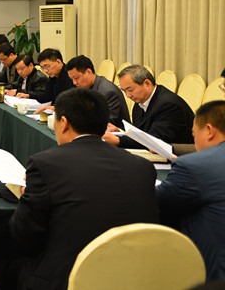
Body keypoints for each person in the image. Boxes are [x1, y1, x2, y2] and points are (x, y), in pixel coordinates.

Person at [9, 88, 159, 290]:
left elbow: (23, 233)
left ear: (64, 123)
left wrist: (27, 195)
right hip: (135, 277)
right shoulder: (142, 167)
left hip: (69, 278)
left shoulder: (45, 164)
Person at [156, 100, 225, 281]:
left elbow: (157, 202)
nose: (195, 141)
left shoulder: (193, 166)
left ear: (209, 130)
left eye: (194, 134)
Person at [102, 65, 194, 148]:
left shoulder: (169, 105)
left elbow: (153, 140)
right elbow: (140, 134)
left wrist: (118, 140)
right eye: (124, 91)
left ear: (147, 83)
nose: (128, 95)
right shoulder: (140, 101)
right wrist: (120, 132)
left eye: (130, 90)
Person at [65, 55, 129, 129]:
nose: (74, 83)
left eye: (76, 78)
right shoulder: (85, 87)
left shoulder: (108, 92)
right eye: (72, 79)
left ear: (89, 72)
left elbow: (106, 125)